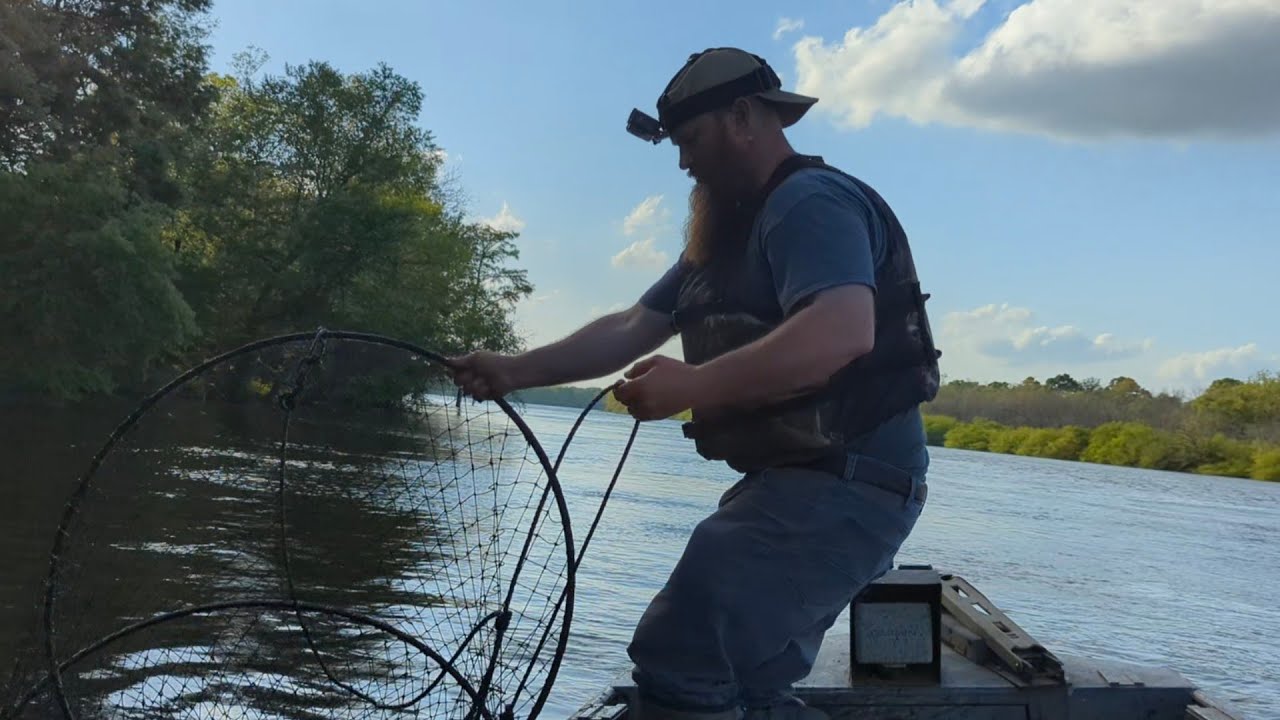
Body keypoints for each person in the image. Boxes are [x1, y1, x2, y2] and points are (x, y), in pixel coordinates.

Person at [450, 47, 941, 720]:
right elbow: (632, 326)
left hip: (852, 482)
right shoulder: (724, 235)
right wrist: (512, 369)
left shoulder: (809, 203)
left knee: (682, 647)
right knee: (750, 684)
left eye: (691, 141)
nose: (683, 163)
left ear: (743, 117)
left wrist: (693, 386)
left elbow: (840, 331)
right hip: (799, 480)